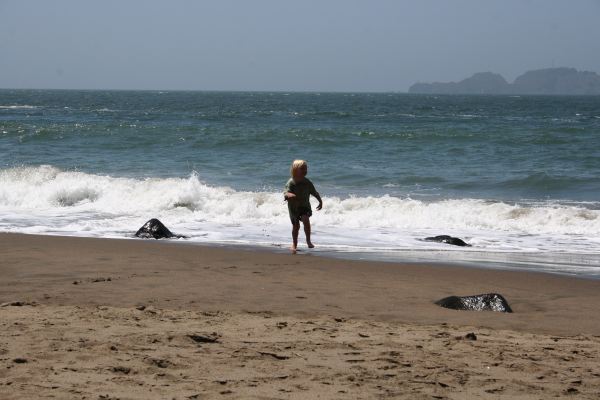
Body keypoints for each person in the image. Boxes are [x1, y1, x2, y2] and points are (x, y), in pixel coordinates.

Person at [284, 159, 323, 254]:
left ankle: (308, 240)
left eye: (306, 168)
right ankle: (294, 244)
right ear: (295, 169)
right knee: (296, 226)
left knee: (306, 220)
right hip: (294, 208)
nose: (305, 170)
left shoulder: (307, 182)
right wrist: (289, 195)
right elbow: (286, 193)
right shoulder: (291, 182)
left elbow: (314, 192)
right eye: (302, 168)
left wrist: (320, 201)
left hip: (305, 206)